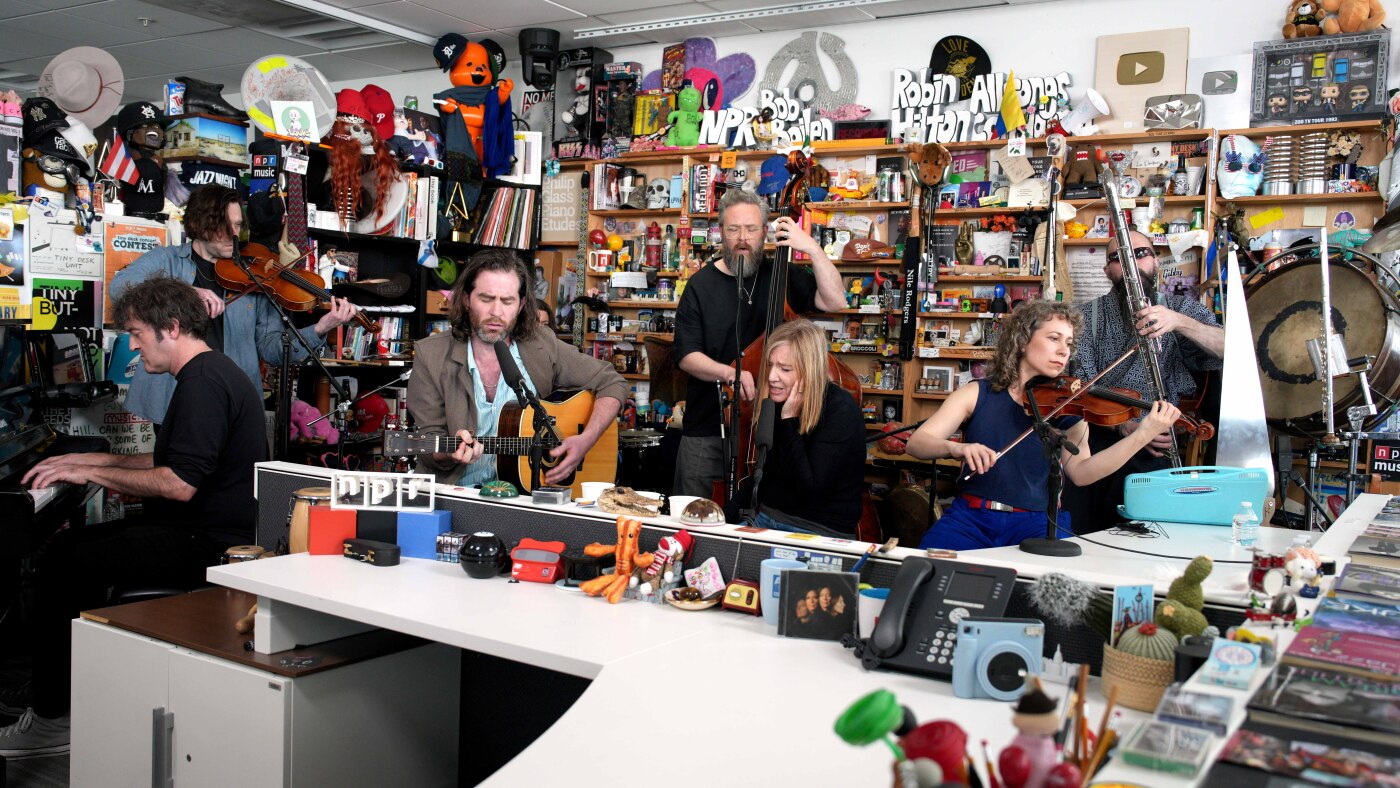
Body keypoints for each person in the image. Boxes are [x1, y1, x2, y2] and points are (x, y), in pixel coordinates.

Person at [1, 278, 267, 757]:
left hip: (210, 545)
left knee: (65, 560)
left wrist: (95, 475)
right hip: (199, 530)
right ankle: (58, 691)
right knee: (69, 551)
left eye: (138, 333)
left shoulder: (203, 384)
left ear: (171, 327)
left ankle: (52, 719)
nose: (134, 345)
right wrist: (86, 465)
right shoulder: (209, 373)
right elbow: (171, 462)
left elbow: (177, 484)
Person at [907, 300, 1181, 551]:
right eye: (1054, 338)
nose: (1064, 350)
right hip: (970, 519)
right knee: (927, 569)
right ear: (1023, 340)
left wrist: (1143, 435)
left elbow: (1082, 473)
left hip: (1037, 523)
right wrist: (957, 449)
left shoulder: (1068, 409)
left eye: (1069, 343)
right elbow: (917, 443)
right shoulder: (978, 393)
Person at [110, 184, 357, 426]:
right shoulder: (168, 260)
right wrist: (185, 293)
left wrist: (321, 328)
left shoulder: (254, 274)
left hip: (231, 398)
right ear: (200, 223)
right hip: (174, 395)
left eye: (237, 225)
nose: (234, 235)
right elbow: (120, 288)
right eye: (224, 226)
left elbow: (272, 349)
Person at [671, 188, 847, 497]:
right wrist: (730, 374)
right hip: (708, 427)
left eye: (751, 229)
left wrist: (813, 249)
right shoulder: (700, 285)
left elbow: (835, 301)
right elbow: (686, 355)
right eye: (733, 229)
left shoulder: (783, 273)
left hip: (772, 430)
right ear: (721, 233)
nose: (742, 238)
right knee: (692, 516)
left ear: (765, 232)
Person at [408, 248, 627, 487]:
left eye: (507, 301)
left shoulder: (541, 344)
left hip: (528, 495)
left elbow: (612, 382)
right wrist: (448, 451)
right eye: (486, 298)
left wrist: (586, 439)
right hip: (456, 492)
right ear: (465, 299)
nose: (496, 312)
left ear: (522, 304)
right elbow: (427, 443)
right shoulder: (431, 355)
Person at [1064, 230, 1223, 533]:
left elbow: (1234, 348)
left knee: (1151, 530)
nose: (1132, 262)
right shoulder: (1083, 317)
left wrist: (1179, 322)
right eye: (1119, 257)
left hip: (1158, 444)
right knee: (1083, 529)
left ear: (1155, 262)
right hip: (1098, 440)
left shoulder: (1181, 309)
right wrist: (1123, 427)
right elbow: (1076, 396)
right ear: (1108, 270)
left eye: (1141, 253)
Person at [752, 319, 865, 536]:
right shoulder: (775, 401)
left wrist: (789, 421)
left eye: (784, 369)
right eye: (770, 365)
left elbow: (808, 488)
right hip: (768, 517)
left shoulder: (840, 409)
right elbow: (765, 474)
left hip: (818, 528)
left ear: (809, 371)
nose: (771, 376)